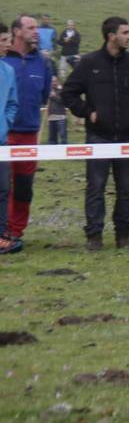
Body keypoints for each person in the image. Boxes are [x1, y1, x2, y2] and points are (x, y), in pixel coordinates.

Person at [61, 17, 129, 251]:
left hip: (127, 136)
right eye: (126, 32)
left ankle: (123, 236)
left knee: (126, 189)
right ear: (112, 36)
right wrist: (88, 113)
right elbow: (69, 93)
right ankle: (94, 236)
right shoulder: (89, 63)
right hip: (98, 137)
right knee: (96, 187)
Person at [1, 15, 56, 254]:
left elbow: (45, 96)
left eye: (37, 27)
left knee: (24, 186)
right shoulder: (5, 60)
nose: (36, 32)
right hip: (5, 134)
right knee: (2, 185)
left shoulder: (42, 63)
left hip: (29, 133)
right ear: (16, 32)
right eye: (31, 28)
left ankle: (15, 230)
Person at [0, 22, 16, 255]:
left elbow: (12, 104)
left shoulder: (8, 71)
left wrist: (5, 126)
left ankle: (2, 236)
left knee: (3, 190)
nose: (8, 44)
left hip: (1, 144)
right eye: (3, 40)